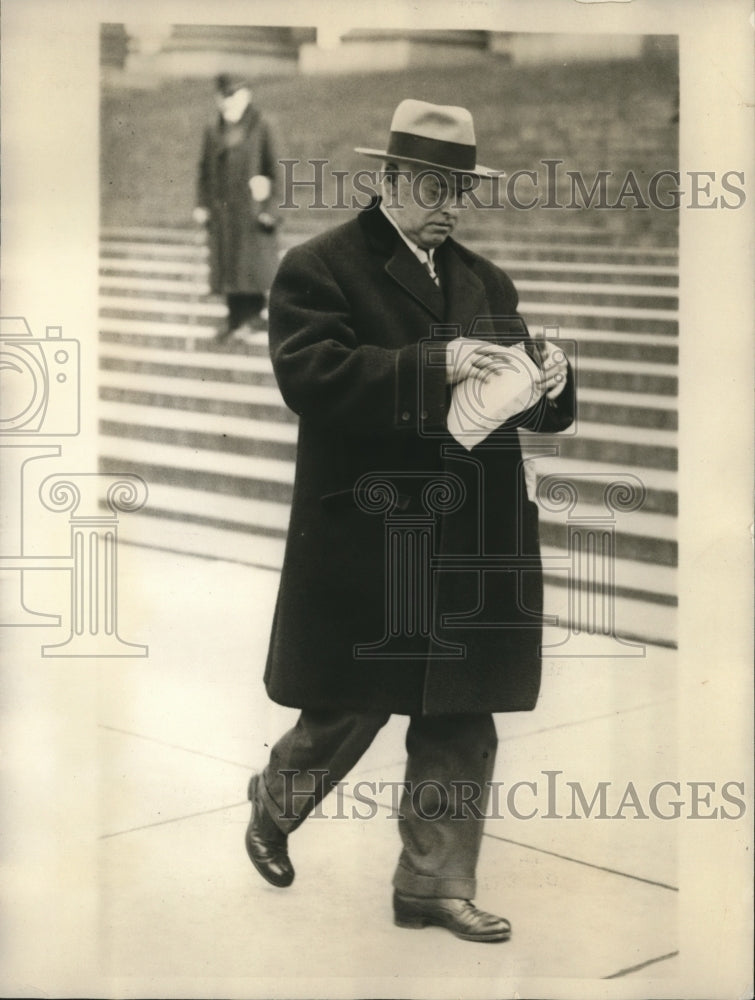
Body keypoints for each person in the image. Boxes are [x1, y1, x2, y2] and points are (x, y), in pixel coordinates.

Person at [245, 99, 576, 942]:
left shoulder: (487, 282)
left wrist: (550, 383)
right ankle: (277, 798)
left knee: (461, 716)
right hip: (370, 533)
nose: (448, 205)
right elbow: (311, 377)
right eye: (431, 185)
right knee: (348, 703)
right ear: (388, 180)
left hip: (472, 535)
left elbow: (518, 410)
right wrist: (436, 364)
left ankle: (432, 883)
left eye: (458, 189)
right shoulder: (317, 267)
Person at [193, 73, 281, 339]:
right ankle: (233, 319)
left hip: (253, 212)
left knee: (251, 268)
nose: (226, 101)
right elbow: (204, 171)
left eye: (232, 95)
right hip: (223, 213)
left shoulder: (263, 125)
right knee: (228, 267)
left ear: (246, 95)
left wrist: (271, 209)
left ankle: (252, 319)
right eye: (222, 96)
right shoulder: (213, 129)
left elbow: (278, 171)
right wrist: (202, 204)